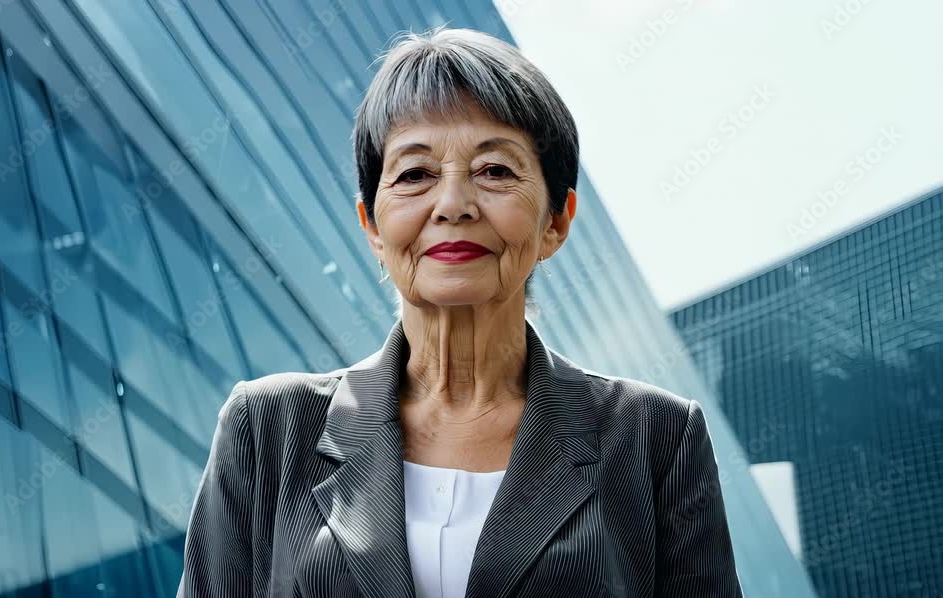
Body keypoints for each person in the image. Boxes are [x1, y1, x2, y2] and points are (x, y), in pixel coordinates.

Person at [177, 26, 742, 598]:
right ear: (371, 225)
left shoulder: (654, 438)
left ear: (557, 221)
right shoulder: (268, 430)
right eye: (415, 174)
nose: (452, 205)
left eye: (495, 171)